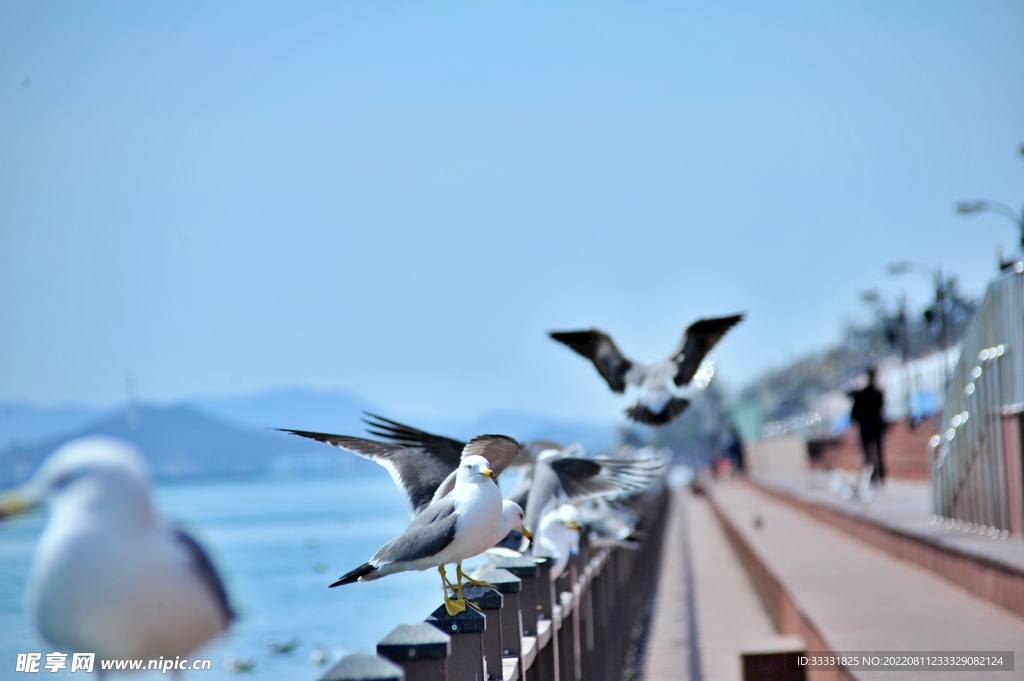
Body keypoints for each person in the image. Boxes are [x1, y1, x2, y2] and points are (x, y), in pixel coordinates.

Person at [848, 367, 886, 485]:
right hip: (873, 426)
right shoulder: (876, 393)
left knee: (870, 453)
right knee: (876, 452)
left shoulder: (867, 393)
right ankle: (877, 475)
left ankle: (874, 476)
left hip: (868, 427)